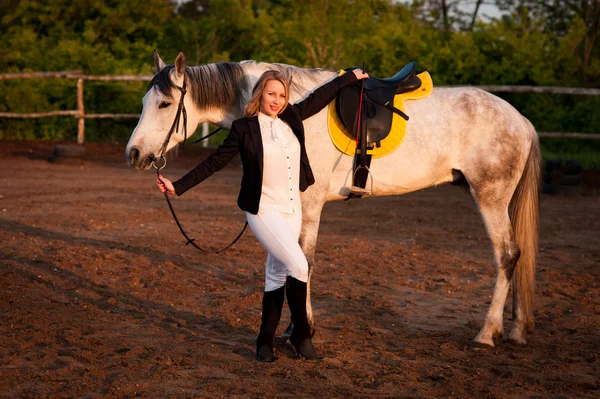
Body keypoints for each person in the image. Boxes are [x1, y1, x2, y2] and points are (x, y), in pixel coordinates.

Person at [157, 68, 368, 362]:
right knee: (298, 265)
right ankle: (301, 334)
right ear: (260, 93)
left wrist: (349, 78)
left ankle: (264, 342)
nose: (277, 100)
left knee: (276, 275)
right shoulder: (244, 128)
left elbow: (321, 97)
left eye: (282, 95)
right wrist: (178, 187)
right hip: (263, 210)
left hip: (292, 208)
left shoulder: (292, 117)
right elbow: (215, 162)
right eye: (271, 93)